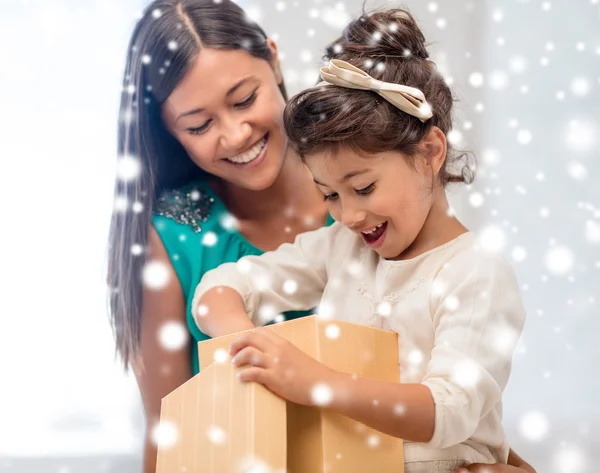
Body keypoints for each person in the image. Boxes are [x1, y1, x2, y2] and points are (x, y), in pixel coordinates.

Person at [106, 1, 536, 472]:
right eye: (200, 124)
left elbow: (455, 412)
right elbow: (167, 433)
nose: (234, 134)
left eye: (244, 99)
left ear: (273, 60)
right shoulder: (342, 243)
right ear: (169, 131)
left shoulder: (400, 236)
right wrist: (255, 347)